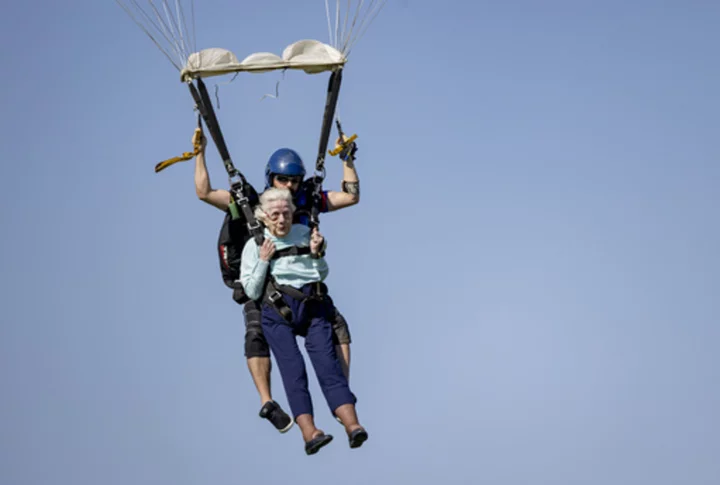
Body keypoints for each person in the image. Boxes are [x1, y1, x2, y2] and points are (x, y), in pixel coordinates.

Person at [192, 127, 360, 433]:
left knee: (338, 327)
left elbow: (350, 196)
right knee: (256, 333)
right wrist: (200, 154)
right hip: (264, 285)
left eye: (294, 180)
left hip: (304, 285)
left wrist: (347, 160)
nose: (290, 186)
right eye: (283, 180)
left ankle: (340, 395)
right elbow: (204, 193)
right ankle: (267, 401)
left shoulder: (306, 202)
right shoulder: (255, 204)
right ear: (271, 178)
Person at [239, 187, 368, 455]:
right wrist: (263, 260)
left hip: (312, 308)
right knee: (293, 371)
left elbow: (321, 273)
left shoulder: (304, 234)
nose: (282, 220)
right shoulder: (254, 244)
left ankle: (352, 425)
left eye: (286, 213)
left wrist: (317, 253)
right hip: (278, 312)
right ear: (264, 216)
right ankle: (310, 433)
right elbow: (251, 291)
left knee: (328, 367)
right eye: (275, 215)